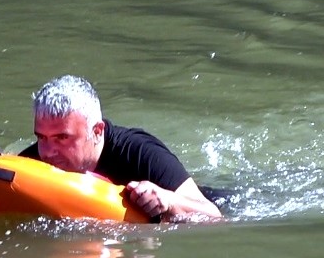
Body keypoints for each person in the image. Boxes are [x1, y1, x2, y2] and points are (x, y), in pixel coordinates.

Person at [19, 75, 223, 223]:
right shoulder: (33, 159)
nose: (47, 152)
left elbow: (213, 215)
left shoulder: (141, 155)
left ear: (97, 130)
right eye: (41, 137)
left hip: (223, 199)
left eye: (62, 138)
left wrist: (168, 201)